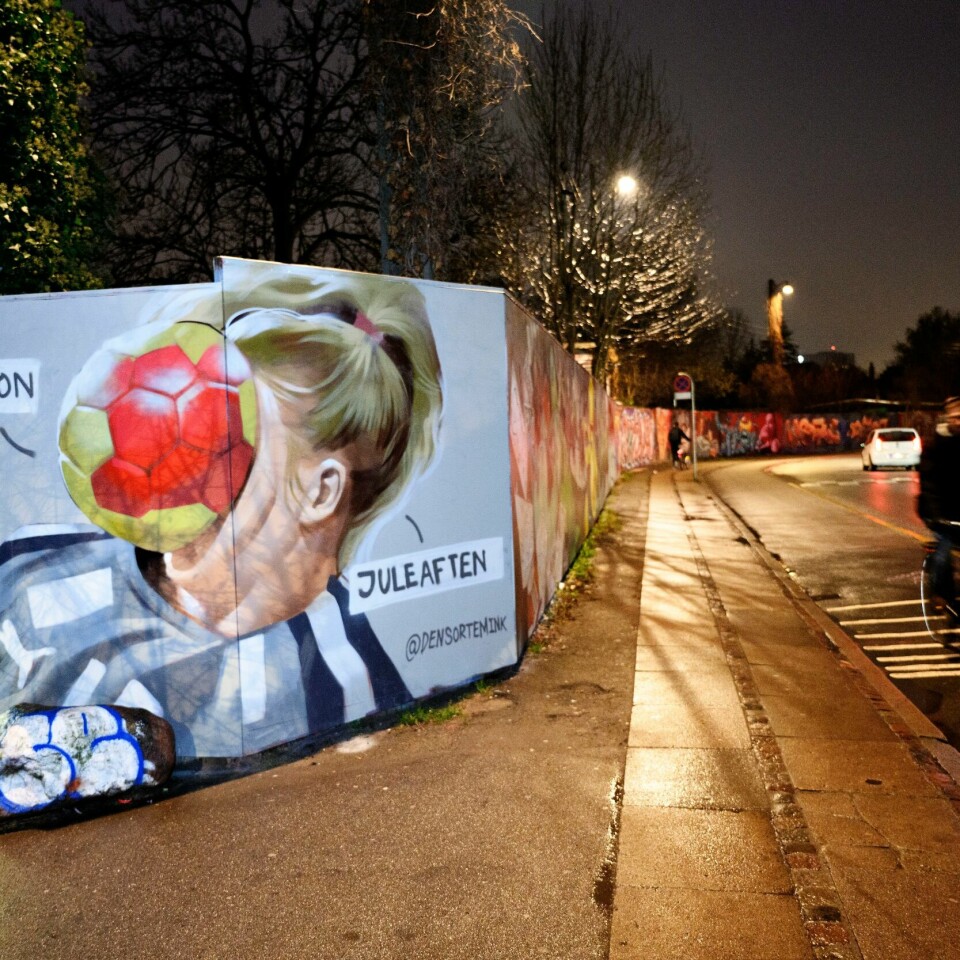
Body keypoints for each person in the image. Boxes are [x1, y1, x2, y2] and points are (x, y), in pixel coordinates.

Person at [0, 274, 444, 758]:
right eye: (194, 424)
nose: (182, 469)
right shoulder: (28, 571)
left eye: (230, 445)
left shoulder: (337, 687)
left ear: (319, 492)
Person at [918, 396, 960, 618]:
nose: (959, 422)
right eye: (956, 417)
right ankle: (944, 600)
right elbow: (929, 484)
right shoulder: (936, 445)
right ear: (948, 418)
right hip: (943, 513)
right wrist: (935, 516)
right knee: (943, 557)